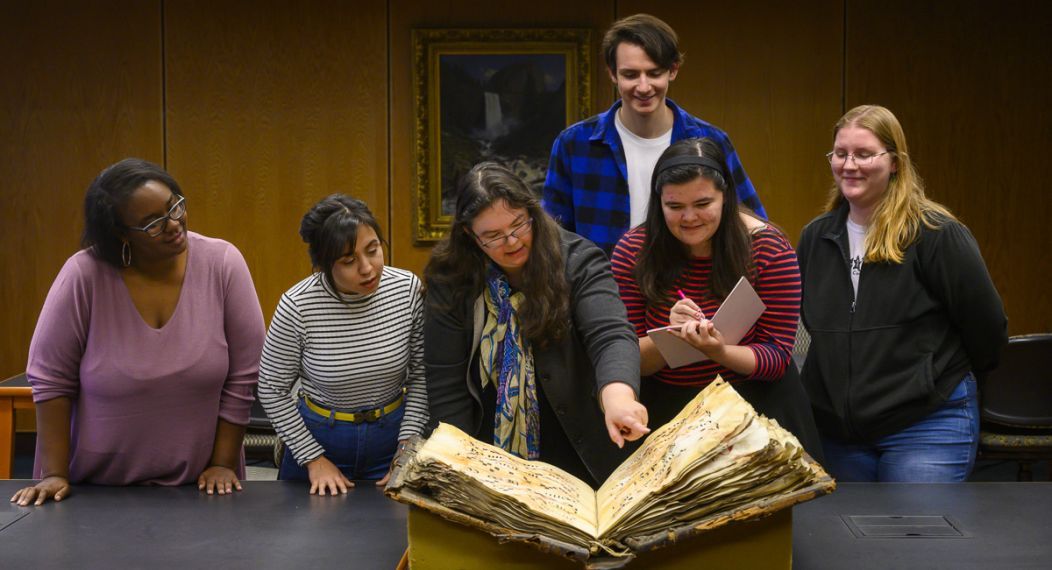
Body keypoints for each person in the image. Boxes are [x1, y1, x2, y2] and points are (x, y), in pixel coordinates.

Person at [11, 158, 265, 507]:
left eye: (174, 205)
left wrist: (222, 462)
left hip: (202, 487)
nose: (174, 224)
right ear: (120, 234)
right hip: (93, 488)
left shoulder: (222, 263)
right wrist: (54, 473)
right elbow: (50, 380)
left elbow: (244, 374)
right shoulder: (83, 275)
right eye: (153, 223)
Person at [798, 105, 1007, 482]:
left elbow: (987, 328)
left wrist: (931, 378)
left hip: (926, 424)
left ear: (894, 162)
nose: (849, 165)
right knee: (841, 541)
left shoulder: (936, 233)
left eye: (864, 154)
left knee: (913, 538)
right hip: (838, 435)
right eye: (840, 153)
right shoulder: (816, 237)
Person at [424, 162, 649, 487]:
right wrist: (459, 464)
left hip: (579, 445)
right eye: (493, 236)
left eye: (519, 225)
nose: (512, 242)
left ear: (533, 212)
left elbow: (611, 335)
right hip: (489, 450)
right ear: (468, 235)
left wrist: (619, 398)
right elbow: (446, 382)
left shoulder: (577, 259)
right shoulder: (451, 279)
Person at [611, 138, 822, 459]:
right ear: (659, 203)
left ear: (726, 198)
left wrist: (718, 350)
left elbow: (777, 358)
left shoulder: (768, 249)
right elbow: (627, 361)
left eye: (703, 204)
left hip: (754, 405)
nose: (689, 218)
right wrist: (671, 337)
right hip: (669, 407)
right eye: (675, 207)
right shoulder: (633, 251)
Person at [543, 13, 765, 256]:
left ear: (673, 70)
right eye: (630, 75)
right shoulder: (574, 143)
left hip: (692, 287)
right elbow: (553, 236)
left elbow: (753, 226)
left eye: (654, 73)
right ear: (612, 74)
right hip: (602, 287)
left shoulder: (710, 140)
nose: (644, 86)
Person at [257, 195, 426, 495]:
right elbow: (272, 389)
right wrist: (313, 458)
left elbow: (422, 375)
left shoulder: (406, 290)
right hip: (319, 437)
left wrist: (407, 449)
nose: (367, 268)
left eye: (373, 250)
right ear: (323, 264)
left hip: (392, 437)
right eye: (348, 261)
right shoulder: (298, 305)